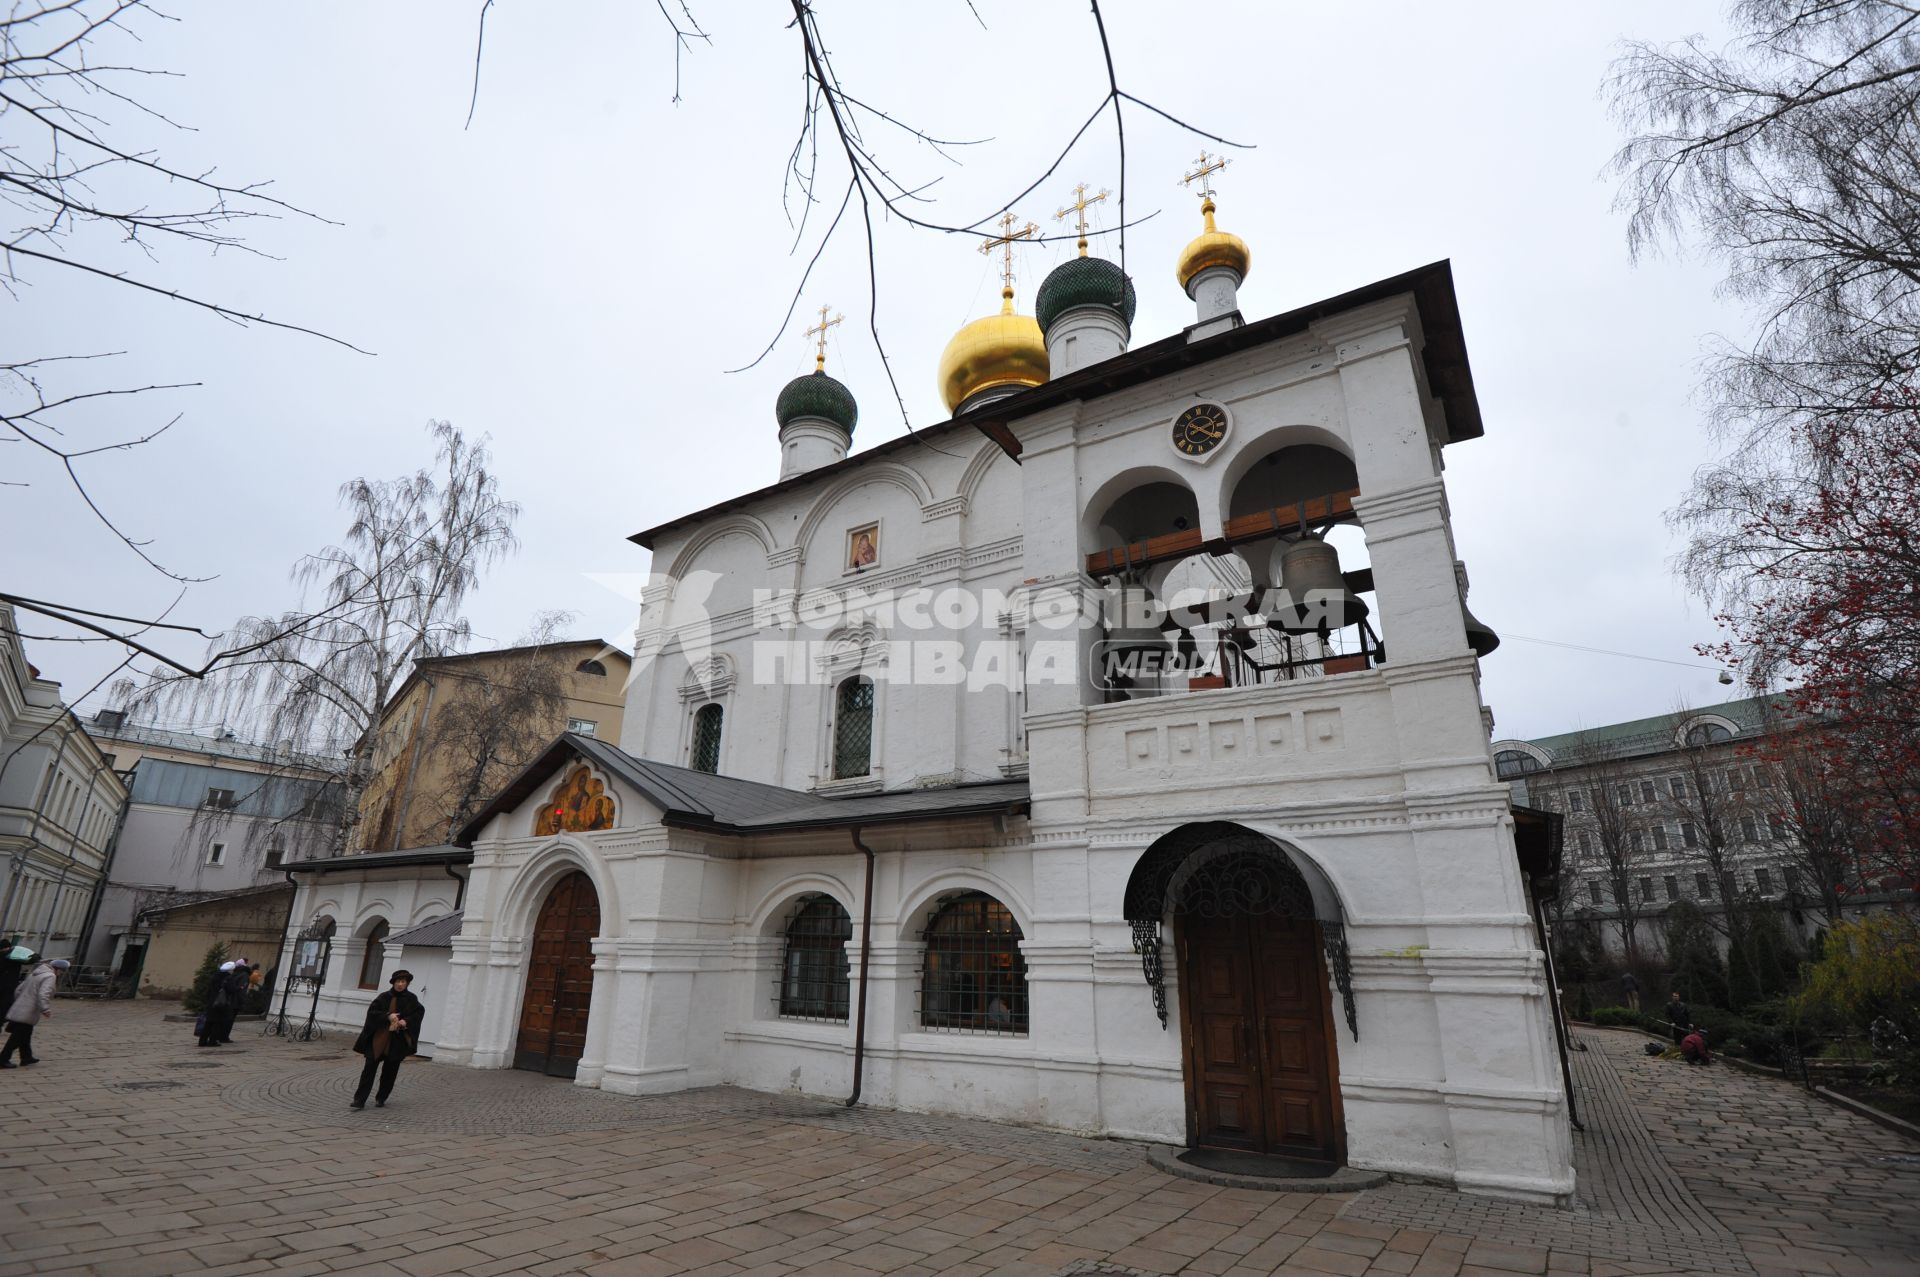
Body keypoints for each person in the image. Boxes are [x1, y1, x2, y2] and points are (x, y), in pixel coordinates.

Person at [351, 969, 424, 1110]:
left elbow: (419, 1013)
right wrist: (388, 1016)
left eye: (403, 982)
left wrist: (406, 1021)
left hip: (397, 1041)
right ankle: (359, 1100)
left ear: (407, 983)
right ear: (393, 982)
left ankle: (381, 1097)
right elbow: (372, 1012)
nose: (400, 984)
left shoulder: (411, 999)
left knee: (390, 1072)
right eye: (398, 981)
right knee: (369, 1069)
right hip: (378, 1040)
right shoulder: (383, 997)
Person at [1, 957, 68, 1067]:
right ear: (58, 969)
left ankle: (26, 1057)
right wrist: (45, 1009)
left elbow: (18, 990)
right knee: (17, 1037)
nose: (61, 974)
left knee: (25, 1034)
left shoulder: (35, 973)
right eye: (62, 971)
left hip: (20, 1007)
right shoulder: (50, 976)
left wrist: (21, 1001)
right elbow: (43, 994)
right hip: (29, 1011)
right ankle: (3, 1059)